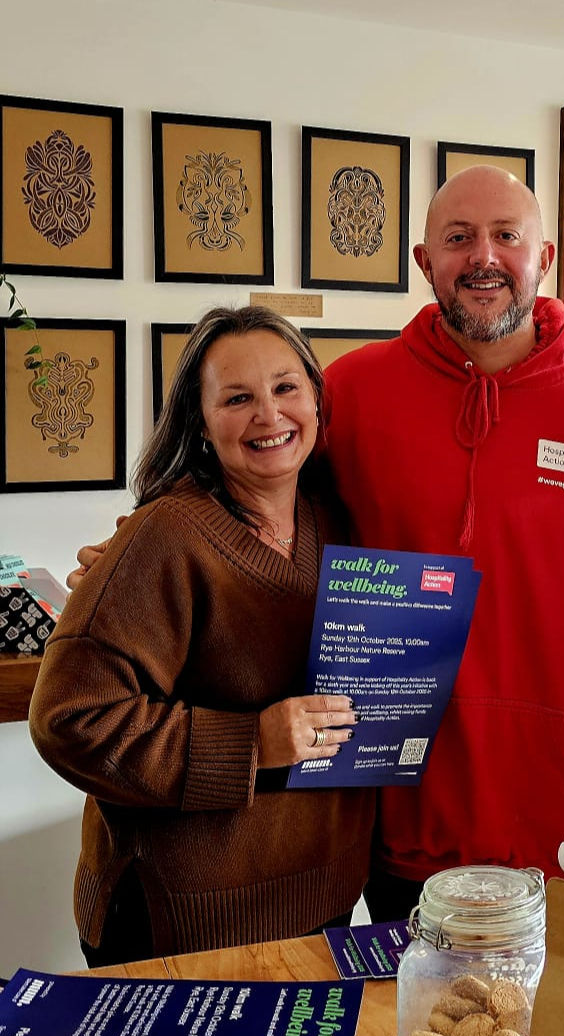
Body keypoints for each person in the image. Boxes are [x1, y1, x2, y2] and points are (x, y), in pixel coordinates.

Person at [70, 167, 564, 923]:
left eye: (507, 236)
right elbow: (251, 484)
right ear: (425, 261)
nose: (483, 257)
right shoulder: (356, 391)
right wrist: (127, 560)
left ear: (545, 256)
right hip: (389, 818)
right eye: (458, 238)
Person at [31, 307, 374, 966]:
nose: (269, 415)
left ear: (316, 398)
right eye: (237, 398)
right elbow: (69, 719)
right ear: (201, 422)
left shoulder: (340, 522)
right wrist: (253, 744)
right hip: (182, 924)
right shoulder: (165, 535)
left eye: (285, 387)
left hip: (325, 906)